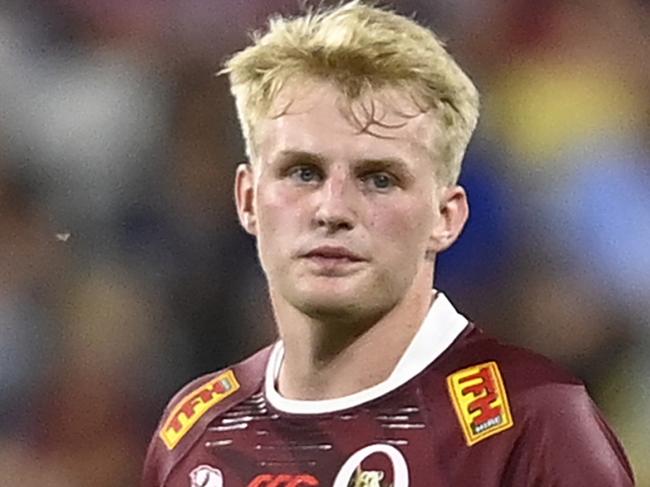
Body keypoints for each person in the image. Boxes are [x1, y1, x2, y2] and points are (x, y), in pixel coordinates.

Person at [142, 2, 635, 485]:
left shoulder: (529, 422)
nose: (332, 210)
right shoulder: (196, 432)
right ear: (248, 200)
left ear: (446, 217)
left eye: (378, 179)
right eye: (303, 173)